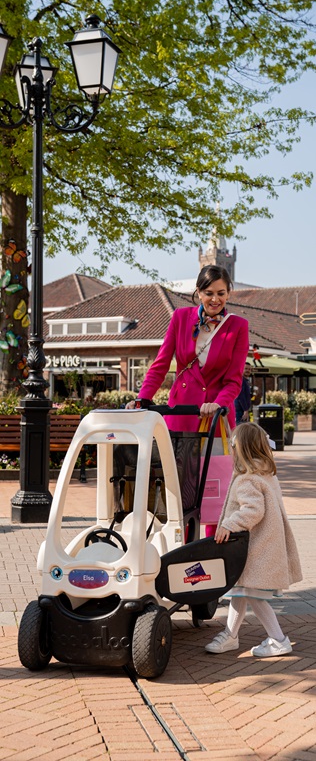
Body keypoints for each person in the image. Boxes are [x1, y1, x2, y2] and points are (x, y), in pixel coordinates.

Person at [205, 422, 302, 658]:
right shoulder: (264, 474)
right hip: (262, 546)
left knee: (254, 595)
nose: (231, 451)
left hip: (258, 548)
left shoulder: (247, 479)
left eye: (233, 446)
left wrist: (229, 524)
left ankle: (278, 639)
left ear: (242, 449)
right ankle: (230, 635)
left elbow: (253, 510)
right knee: (241, 591)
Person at [126, 264, 249, 434]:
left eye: (221, 293)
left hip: (215, 417)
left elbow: (234, 380)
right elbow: (160, 365)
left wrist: (218, 404)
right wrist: (142, 399)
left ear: (228, 293)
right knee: (174, 460)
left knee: (214, 461)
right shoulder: (180, 317)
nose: (215, 300)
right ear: (198, 292)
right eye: (209, 293)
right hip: (181, 412)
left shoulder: (238, 326)